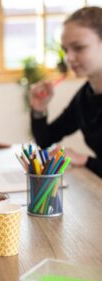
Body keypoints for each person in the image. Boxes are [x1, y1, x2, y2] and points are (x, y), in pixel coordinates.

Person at [30, 6, 102, 178]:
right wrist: (39, 109)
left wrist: (85, 160)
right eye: (65, 49)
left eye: (78, 48)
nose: (68, 58)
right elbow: (46, 140)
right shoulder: (85, 95)